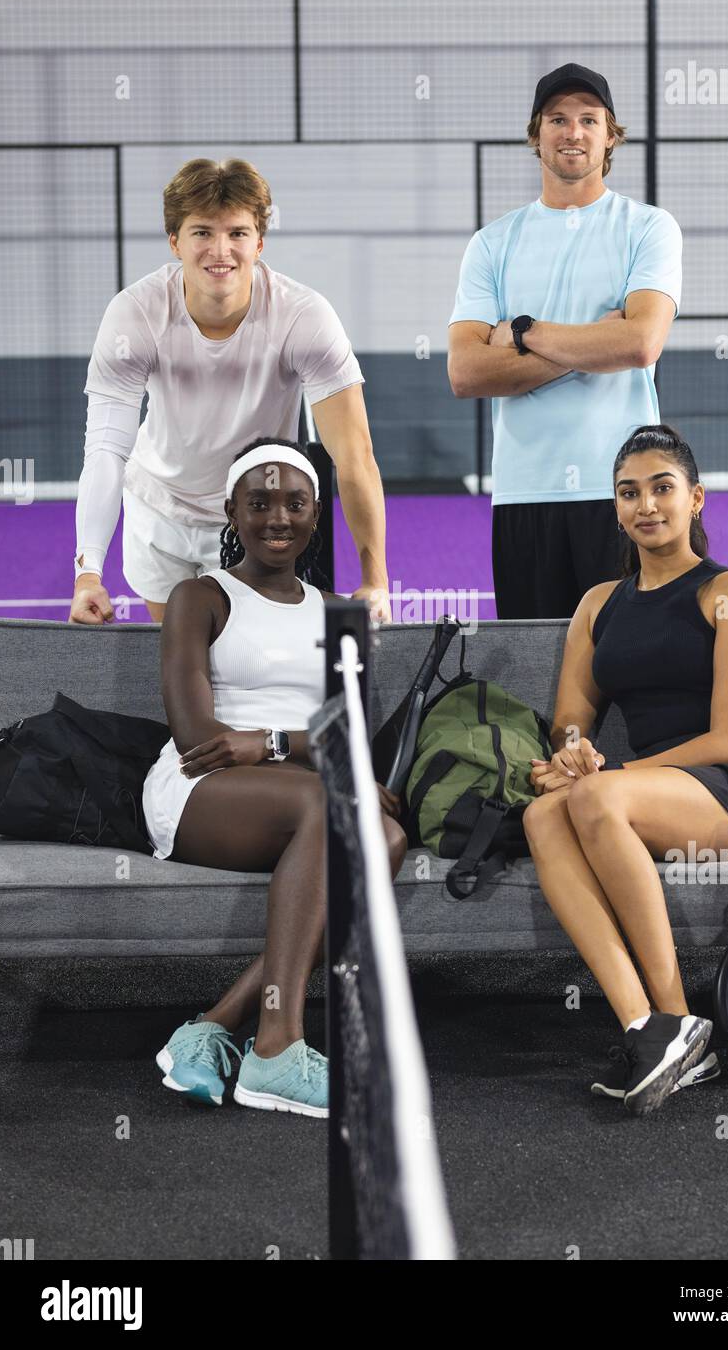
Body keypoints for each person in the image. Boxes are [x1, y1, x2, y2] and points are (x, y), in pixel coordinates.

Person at [522, 424, 728, 1116]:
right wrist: (571, 755)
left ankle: (680, 1019)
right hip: (644, 788)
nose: (645, 505)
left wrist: (608, 775)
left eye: (661, 488)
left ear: (695, 499)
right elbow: (571, 718)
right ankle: (644, 1027)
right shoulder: (597, 604)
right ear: (614, 509)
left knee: (593, 802)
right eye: (628, 493)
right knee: (542, 811)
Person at [143, 438, 407, 1118]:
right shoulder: (199, 596)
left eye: (294, 503)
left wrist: (268, 741)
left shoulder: (337, 612)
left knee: (384, 838)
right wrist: (307, 751)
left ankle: (215, 1026)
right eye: (258, 503)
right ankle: (276, 1048)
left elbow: (343, 739)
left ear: (316, 514)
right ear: (231, 509)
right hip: (198, 792)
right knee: (338, 810)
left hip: (292, 787)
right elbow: (200, 741)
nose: (277, 518)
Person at [69, 158, 391, 627]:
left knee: (254, 661)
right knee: (178, 656)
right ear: (174, 240)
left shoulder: (304, 317)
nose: (220, 250)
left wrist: (375, 579)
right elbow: (105, 448)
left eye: (237, 233)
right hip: (160, 509)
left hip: (255, 513)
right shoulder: (134, 314)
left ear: (259, 242)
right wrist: (88, 574)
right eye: (202, 232)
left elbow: (355, 454)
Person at [447, 63, 682, 619]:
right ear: (536, 135)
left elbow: (640, 344)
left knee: (628, 670)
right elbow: (466, 373)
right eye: (557, 119)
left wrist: (524, 335)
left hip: (625, 490)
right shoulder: (491, 244)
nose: (572, 132)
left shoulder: (649, 227)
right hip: (525, 493)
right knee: (535, 682)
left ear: (609, 135)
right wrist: (599, 339)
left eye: (588, 119)